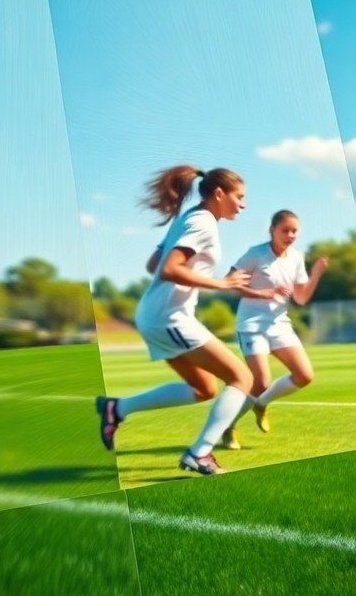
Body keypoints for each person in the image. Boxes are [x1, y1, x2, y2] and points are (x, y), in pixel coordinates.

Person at [94, 165, 253, 476]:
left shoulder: (188, 218)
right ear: (219, 193)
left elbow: (153, 262)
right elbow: (167, 268)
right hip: (170, 317)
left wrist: (194, 276)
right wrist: (221, 284)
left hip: (155, 314)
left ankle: (117, 409)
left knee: (203, 388)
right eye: (240, 197)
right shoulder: (203, 222)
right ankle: (199, 454)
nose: (243, 205)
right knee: (242, 379)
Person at [221, 210, 328, 449]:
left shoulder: (297, 258)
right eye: (285, 230)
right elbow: (229, 282)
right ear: (272, 230)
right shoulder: (255, 254)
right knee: (260, 381)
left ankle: (261, 404)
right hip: (251, 325)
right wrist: (261, 293)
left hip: (279, 325)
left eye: (294, 231)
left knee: (304, 375)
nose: (290, 235)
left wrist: (316, 274)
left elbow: (300, 298)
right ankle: (228, 427)